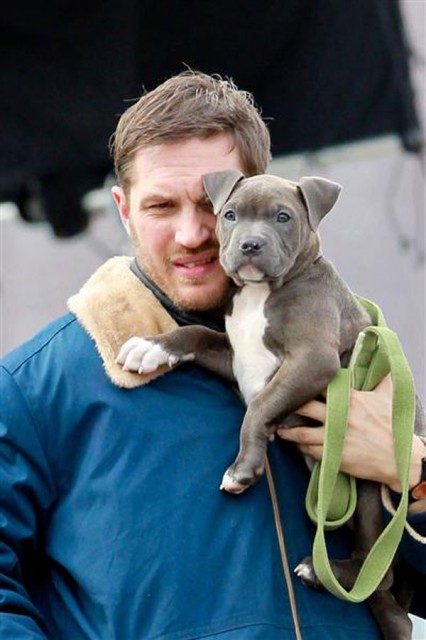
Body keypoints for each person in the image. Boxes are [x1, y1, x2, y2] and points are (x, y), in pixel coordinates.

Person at [0, 70, 425, 640]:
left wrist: (414, 472)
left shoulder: (355, 355)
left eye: (212, 204)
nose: (193, 232)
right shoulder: (39, 386)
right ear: (123, 210)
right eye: (160, 206)